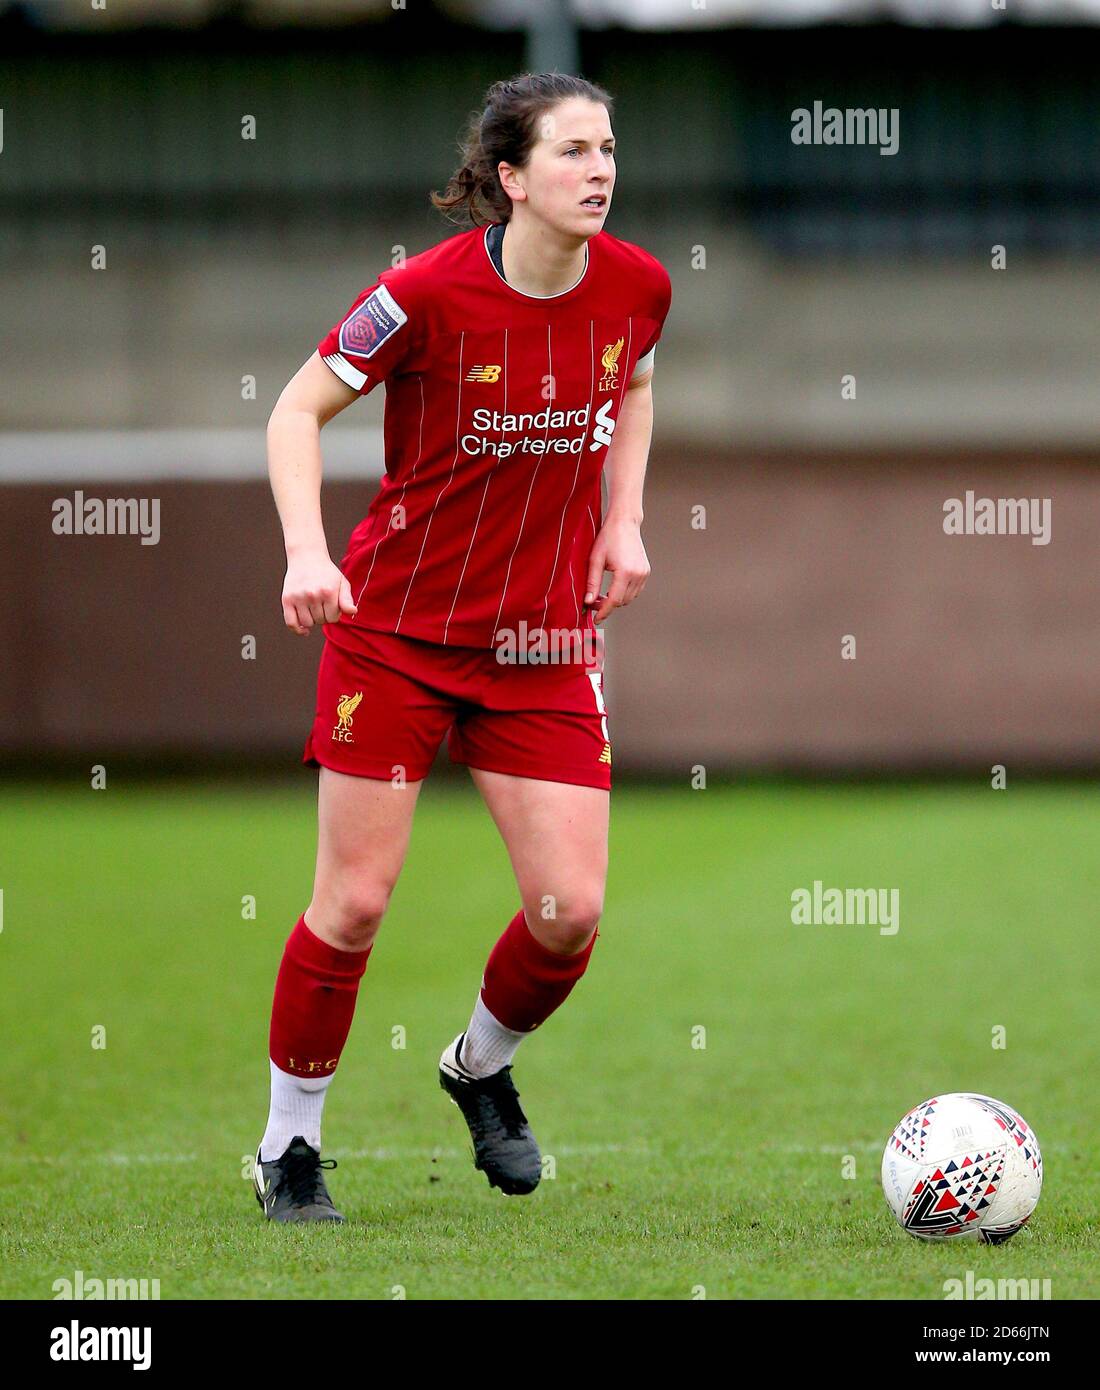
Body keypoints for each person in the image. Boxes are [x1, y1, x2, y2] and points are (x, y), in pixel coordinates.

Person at [254, 71, 672, 1222]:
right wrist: (305, 552)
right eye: (574, 152)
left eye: (609, 149)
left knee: (567, 913)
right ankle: (288, 1146)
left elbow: (633, 383)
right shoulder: (418, 295)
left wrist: (623, 517)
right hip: (393, 634)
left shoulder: (639, 284)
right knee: (352, 904)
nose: (600, 171)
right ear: (510, 178)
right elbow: (294, 411)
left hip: (540, 641)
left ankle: (477, 1067)